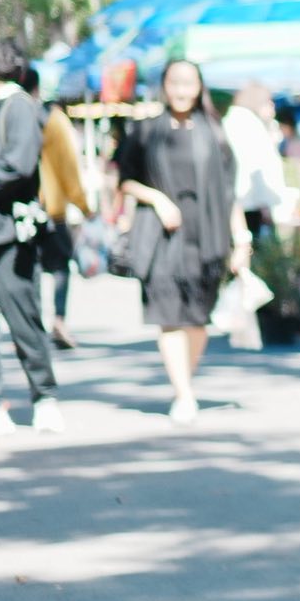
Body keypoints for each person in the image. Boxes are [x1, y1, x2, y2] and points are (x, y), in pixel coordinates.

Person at [114, 59, 250, 425]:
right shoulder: (146, 131)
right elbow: (124, 180)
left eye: (188, 82)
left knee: (197, 319)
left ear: (199, 86)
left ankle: (184, 381)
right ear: (164, 85)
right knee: (168, 317)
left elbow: (228, 193)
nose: (181, 90)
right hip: (162, 237)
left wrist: (241, 239)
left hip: (207, 236)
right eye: (175, 82)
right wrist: (157, 199)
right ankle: (183, 393)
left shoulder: (214, 131)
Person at [0, 43, 60, 435]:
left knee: (22, 317)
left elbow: (18, 166)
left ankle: (44, 395)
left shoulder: (17, 105)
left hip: (9, 236)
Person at [24, 67, 88, 353]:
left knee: (28, 269)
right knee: (61, 266)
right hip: (50, 208)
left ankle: (31, 325)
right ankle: (59, 319)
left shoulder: (3, 115)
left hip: (16, 210)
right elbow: (68, 167)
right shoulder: (52, 118)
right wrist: (84, 204)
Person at [221, 81, 285, 239]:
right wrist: (265, 206)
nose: (272, 107)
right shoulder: (249, 125)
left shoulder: (232, 121)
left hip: (239, 202)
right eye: (269, 102)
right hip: (248, 204)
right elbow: (257, 170)